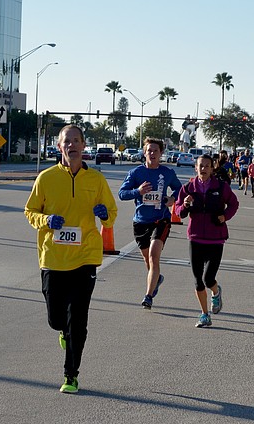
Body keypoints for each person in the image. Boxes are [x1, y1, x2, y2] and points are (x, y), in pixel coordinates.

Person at [25, 125, 118, 394]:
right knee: (57, 319)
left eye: (77, 141)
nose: (73, 145)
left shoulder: (96, 180)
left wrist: (104, 215)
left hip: (85, 257)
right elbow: (30, 211)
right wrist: (45, 220)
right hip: (53, 258)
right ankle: (63, 331)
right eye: (68, 141)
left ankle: (71, 375)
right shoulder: (46, 178)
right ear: (59, 146)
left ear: (84, 145)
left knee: (77, 320)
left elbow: (111, 214)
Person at [174, 154, 239, 328]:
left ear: (212, 168)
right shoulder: (188, 188)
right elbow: (178, 211)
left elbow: (234, 204)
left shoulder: (221, 187)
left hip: (215, 239)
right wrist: (185, 205)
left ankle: (216, 292)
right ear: (196, 168)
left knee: (209, 278)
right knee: (198, 280)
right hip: (195, 238)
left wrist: (225, 216)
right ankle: (204, 314)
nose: (203, 169)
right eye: (200, 166)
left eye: (207, 166)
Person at [118, 138, 183, 309]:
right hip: (140, 222)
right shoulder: (135, 173)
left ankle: (148, 296)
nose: (152, 153)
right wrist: (137, 191)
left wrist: (172, 199)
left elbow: (180, 189)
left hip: (160, 219)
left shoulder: (167, 173)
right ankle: (157, 279)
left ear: (161, 153)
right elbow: (122, 194)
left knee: (154, 257)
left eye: (155, 151)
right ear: (144, 153)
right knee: (148, 261)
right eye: (149, 150)